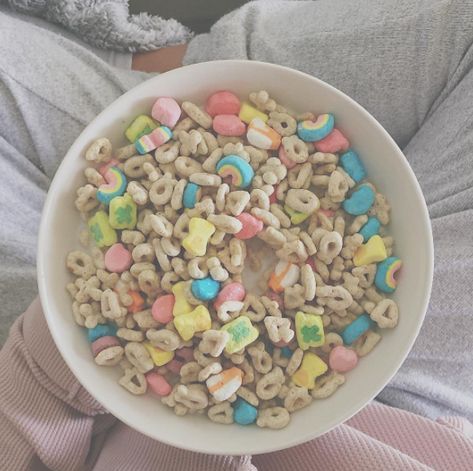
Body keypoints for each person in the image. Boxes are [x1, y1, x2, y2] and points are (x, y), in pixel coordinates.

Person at [0, 1, 472, 469]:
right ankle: (172, 63)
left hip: (85, 398)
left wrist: (52, 367)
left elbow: (24, 422)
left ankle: (160, 68)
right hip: (416, 404)